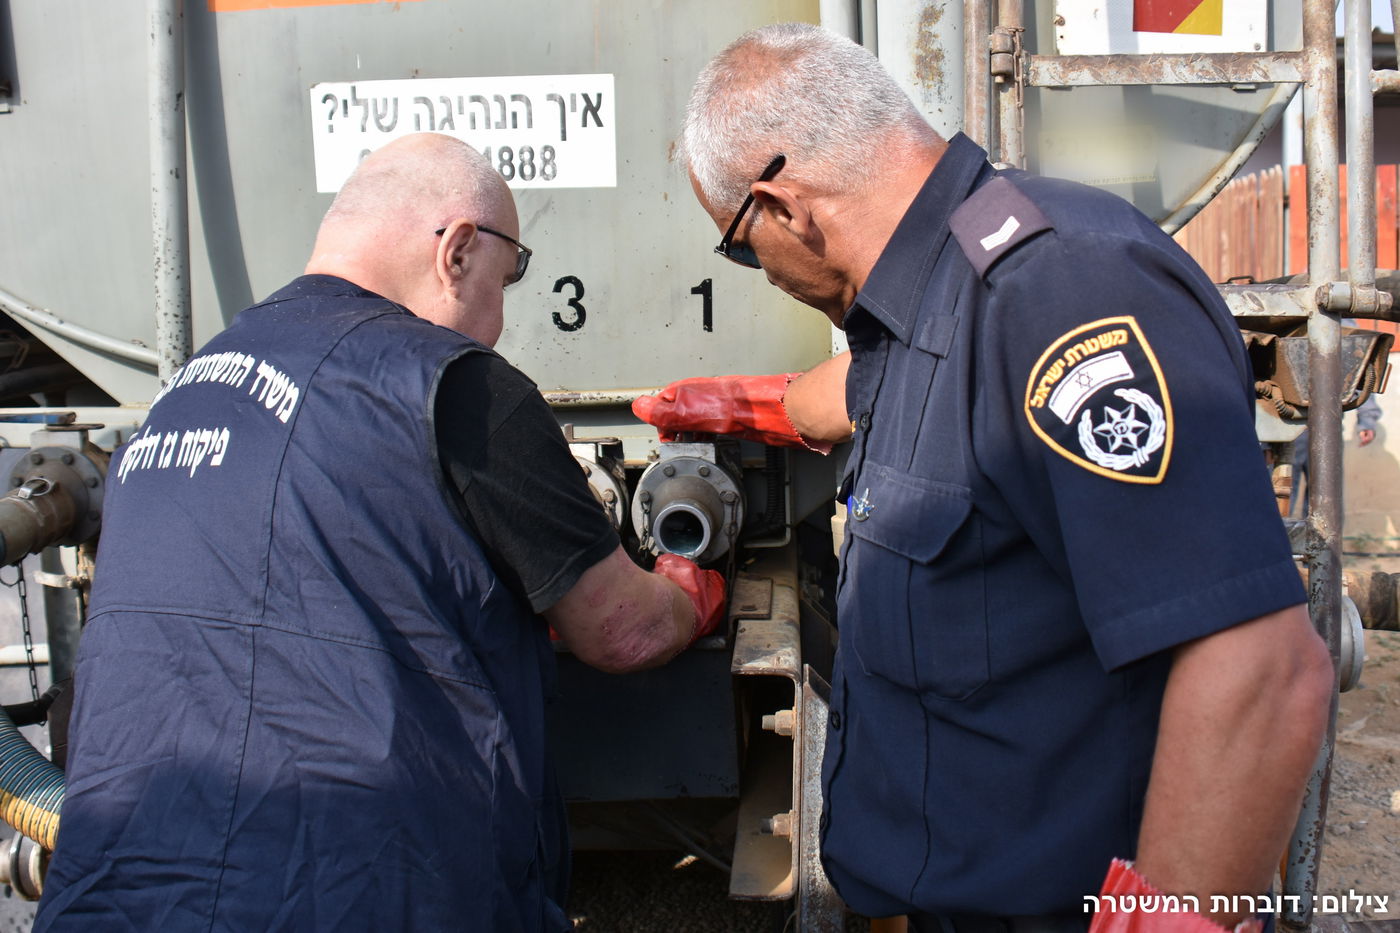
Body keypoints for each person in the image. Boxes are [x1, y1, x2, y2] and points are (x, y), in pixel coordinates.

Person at [635, 23, 1333, 933]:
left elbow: (1261, 669)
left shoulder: (1062, 293)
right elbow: (875, 393)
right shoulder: (935, 296)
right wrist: (745, 405)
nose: (759, 273)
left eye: (740, 247)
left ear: (783, 207)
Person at [35, 133, 724, 932]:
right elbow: (623, 631)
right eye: (506, 282)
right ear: (458, 251)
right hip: (365, 894)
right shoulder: (457, 386)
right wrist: (688, 587)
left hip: (112, 898)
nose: (498, 323)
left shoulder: (180, 399)